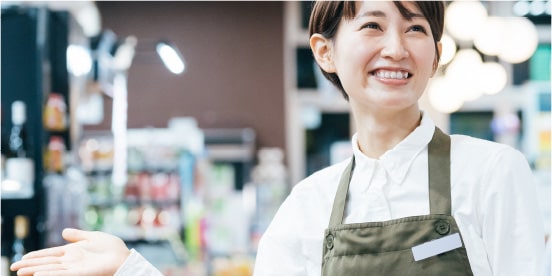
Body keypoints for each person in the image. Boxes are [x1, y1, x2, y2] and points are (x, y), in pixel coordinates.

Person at [10, 1, 545, 276]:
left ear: (435, 50)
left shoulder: (493, 172)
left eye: (415, 28)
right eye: (373, 26)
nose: (397, 48)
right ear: (325, 51)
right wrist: (128, 266)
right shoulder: (308, 205)